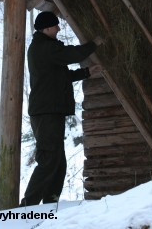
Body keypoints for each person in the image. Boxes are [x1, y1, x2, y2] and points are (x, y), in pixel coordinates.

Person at [20, 11, 104, 207]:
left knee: (57, 162)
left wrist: (86, 72)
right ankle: (28, 207)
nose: (59, 29)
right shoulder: (46, 47)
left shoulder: (45, 49)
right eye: (56, 26)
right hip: (47, 112)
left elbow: (59, 77)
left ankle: (50, 203)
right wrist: (94, 43)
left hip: (49, 110)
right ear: (47, 28)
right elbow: (72, 55)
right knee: (49, 159)